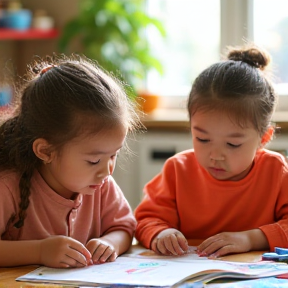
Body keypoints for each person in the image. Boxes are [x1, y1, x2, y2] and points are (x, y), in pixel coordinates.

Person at [135, 44, 288, 258]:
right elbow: (146, 219)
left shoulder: (276, 171)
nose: (215, 155)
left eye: (233, 144)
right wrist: (161, 233)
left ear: (264, 138)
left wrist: (250, 238)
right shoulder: (178, 169)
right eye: (202, 139)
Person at [0, 55, 142, 268]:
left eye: (114, 156)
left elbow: (124, 228)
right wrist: (40, 251)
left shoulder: (100, 185)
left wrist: (110, 243)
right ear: (45, 151)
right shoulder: (8, 186)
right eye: (94, 161)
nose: (107, 171)